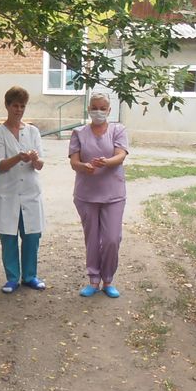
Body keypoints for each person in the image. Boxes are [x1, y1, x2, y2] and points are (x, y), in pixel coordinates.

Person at [0, 86, 46, 293]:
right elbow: (0, 164)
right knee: (8, 236)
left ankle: (30, 276)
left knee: (32, 235)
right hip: (6, 192)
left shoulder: (32, 131)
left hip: (29, 191)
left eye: (22, 106)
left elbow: (40, 165)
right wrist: (19, 157)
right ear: (7, 105)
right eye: (15, 106)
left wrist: (35, 159)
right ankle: (12, 278)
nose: (19, 110)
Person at [69, 93, 129, 297]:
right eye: (94, 107)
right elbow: (74, 162)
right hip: (86, 195)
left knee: (112, 238)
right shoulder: (79, 133)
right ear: (89, 109)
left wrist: (106, 162)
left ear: (109, 110)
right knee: (92, 239)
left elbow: (121, 155)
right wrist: (83, 166)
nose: (98, 112)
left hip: (113, 194)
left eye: (103, 108)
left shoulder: (118, 130)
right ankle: (93, 280)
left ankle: (108, 279)